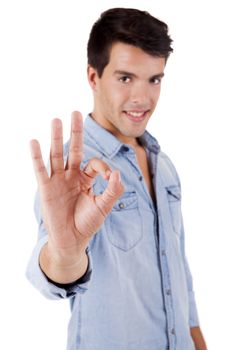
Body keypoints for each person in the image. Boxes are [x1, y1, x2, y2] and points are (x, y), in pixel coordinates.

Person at [27, 7, 207, 350]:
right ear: (93, 77)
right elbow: (53, 272)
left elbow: (179, 271)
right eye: (125, 78)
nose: (142, 98)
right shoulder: (72, 170)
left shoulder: (163, 164)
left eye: (154, 79)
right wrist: (64, 255)